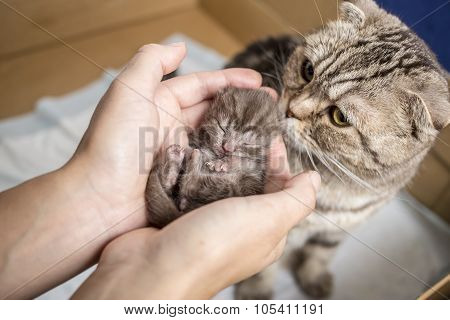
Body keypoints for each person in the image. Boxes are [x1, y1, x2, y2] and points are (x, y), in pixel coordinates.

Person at [0, 43, 320, 299]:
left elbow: (242, 171)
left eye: (248, 141)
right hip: (180, 191)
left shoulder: (254, 159)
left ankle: (180, 183)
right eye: (223, 128)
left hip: (201, 194)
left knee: (235, 176)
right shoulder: (200, 134)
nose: (228, 145)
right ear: (216, 110)